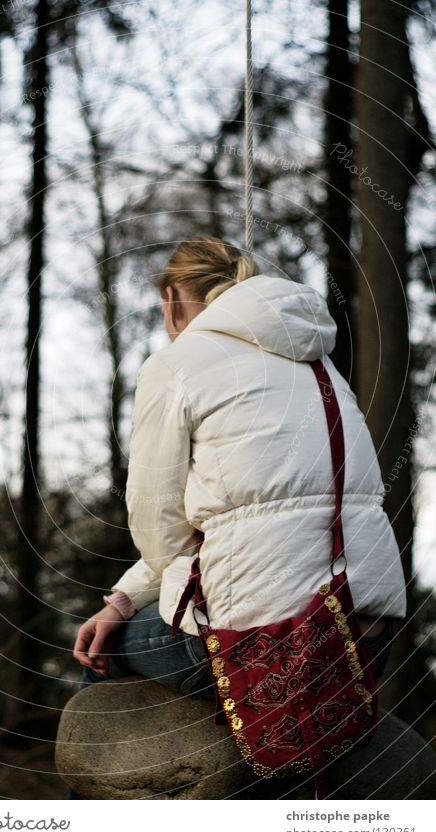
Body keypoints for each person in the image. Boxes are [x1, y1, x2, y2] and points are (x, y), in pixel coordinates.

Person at [68, 236, 407, 796]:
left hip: (272, 636)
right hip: (363, 629)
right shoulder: (322, 365)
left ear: (175, 296)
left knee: (104, 650)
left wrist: (121, 609)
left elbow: (157, 522)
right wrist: (127, 593)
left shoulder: (179, 364)